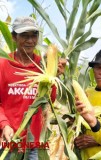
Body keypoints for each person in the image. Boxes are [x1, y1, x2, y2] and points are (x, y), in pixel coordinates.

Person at [0, 16, 66, 159]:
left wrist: (54, 77)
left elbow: (49, 100)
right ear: (13, 37)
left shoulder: (43, 65)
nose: (30, 41)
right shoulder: (3, 64)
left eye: (34, 35)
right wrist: (4, 124)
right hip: (9, 140)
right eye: (24, 36)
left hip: (35, 144)